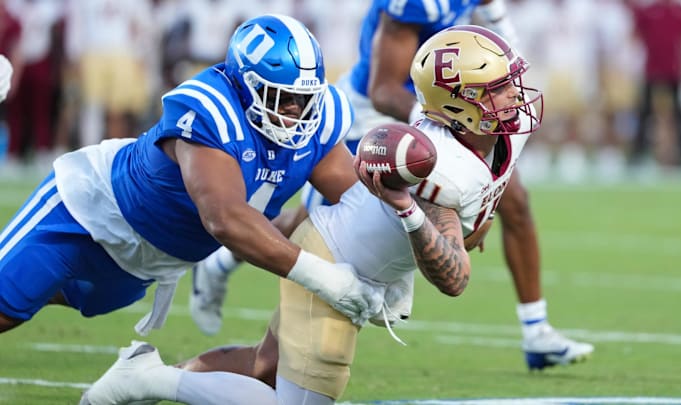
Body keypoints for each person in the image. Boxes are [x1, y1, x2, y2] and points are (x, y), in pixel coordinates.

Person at [82, 24, 546, 405]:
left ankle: (152, 374)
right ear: (460, 105)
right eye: (499, 88)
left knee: (265, 367)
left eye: (510, 81)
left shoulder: (504, 129)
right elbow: (454, 279)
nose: (515, 96)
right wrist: (409, 211)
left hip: (346, 248)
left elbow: (486, 187)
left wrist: (476, 218)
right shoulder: (440, 166)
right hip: (334, 258)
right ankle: (148, 379)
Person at [190, 0, 594, 370]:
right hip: (376, 125)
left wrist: (477, 202)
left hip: (458, 110)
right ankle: (224, 259)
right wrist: (442, 132)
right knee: (321, 224)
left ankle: (536, 327)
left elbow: (497, 25)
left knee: (515, 200)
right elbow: (383, 90)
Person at [0, 14, 385, 338]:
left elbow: (357, 201)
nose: (295, 110)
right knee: (8, 307)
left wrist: (398, 264)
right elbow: (225, 219)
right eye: (278, 95)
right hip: (92, 211)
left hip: (152, 259)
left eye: (304, 97)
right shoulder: (210, 109)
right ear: (244, 86)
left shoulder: (319, 121)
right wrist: (326, 279)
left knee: (41, 294)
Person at [625, 0, 681, 167]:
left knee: (679, 116)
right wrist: (632, 63)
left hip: (674, 71)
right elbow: (635, 35)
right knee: (645, 113)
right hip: (652, 70)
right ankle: (637, 156)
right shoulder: (649, 11)